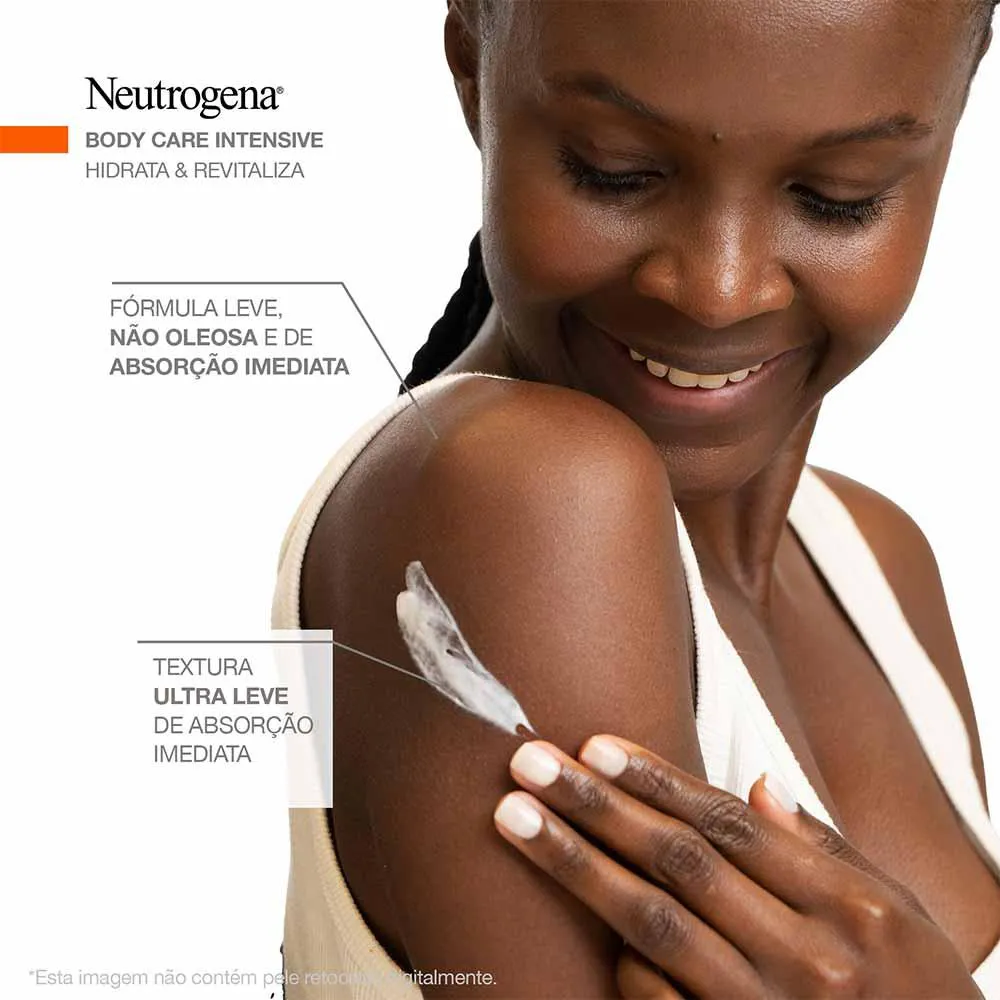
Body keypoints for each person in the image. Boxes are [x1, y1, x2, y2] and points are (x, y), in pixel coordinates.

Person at [271, 1, 1000, 996]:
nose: (718, 288)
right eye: (615, 170)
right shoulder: (525, 494)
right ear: (470, 59)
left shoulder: (874, 558)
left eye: (839, 196)